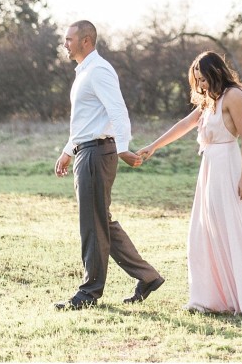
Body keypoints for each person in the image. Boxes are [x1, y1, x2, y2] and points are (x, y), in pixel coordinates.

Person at [138, 50, 242, 317]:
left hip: (228, 166)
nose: (201, 85)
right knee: (205, 231)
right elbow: (184, 124)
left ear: (216, 73)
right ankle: (211, 298)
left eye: (204, 79)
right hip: (209, 168)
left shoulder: (234, 96)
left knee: (232, 230)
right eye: (198, 81)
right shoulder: (209, 101)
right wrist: (153, 147)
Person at [54, 19, 164, 309]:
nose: (65, 44)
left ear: (86, 40)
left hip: (96, 154)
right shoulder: (84, 72)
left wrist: (123, 148)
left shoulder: (98, 70)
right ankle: (148, 276)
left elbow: (117, 111)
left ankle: (88, 293)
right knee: (101, 221)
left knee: (93, 224)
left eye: (69, 39)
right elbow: (87, 120)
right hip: (85, 151)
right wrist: (68, 150)